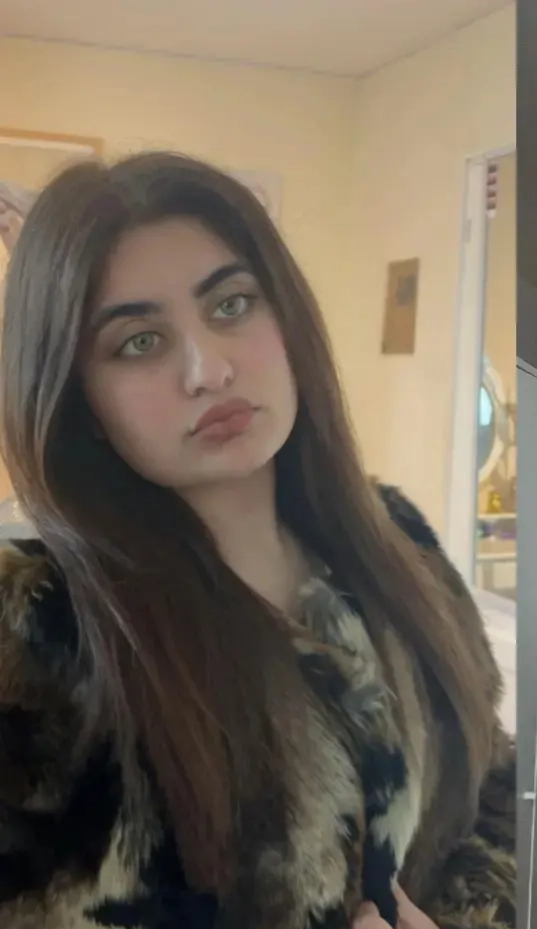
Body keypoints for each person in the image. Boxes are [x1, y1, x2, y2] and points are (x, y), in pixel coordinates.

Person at [0, 153, 514, 929]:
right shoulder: (37, 639)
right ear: (79, 400)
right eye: (139, 341)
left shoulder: (395, 541)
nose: (209, 369)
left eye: (232, 304)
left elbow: (495, 789)